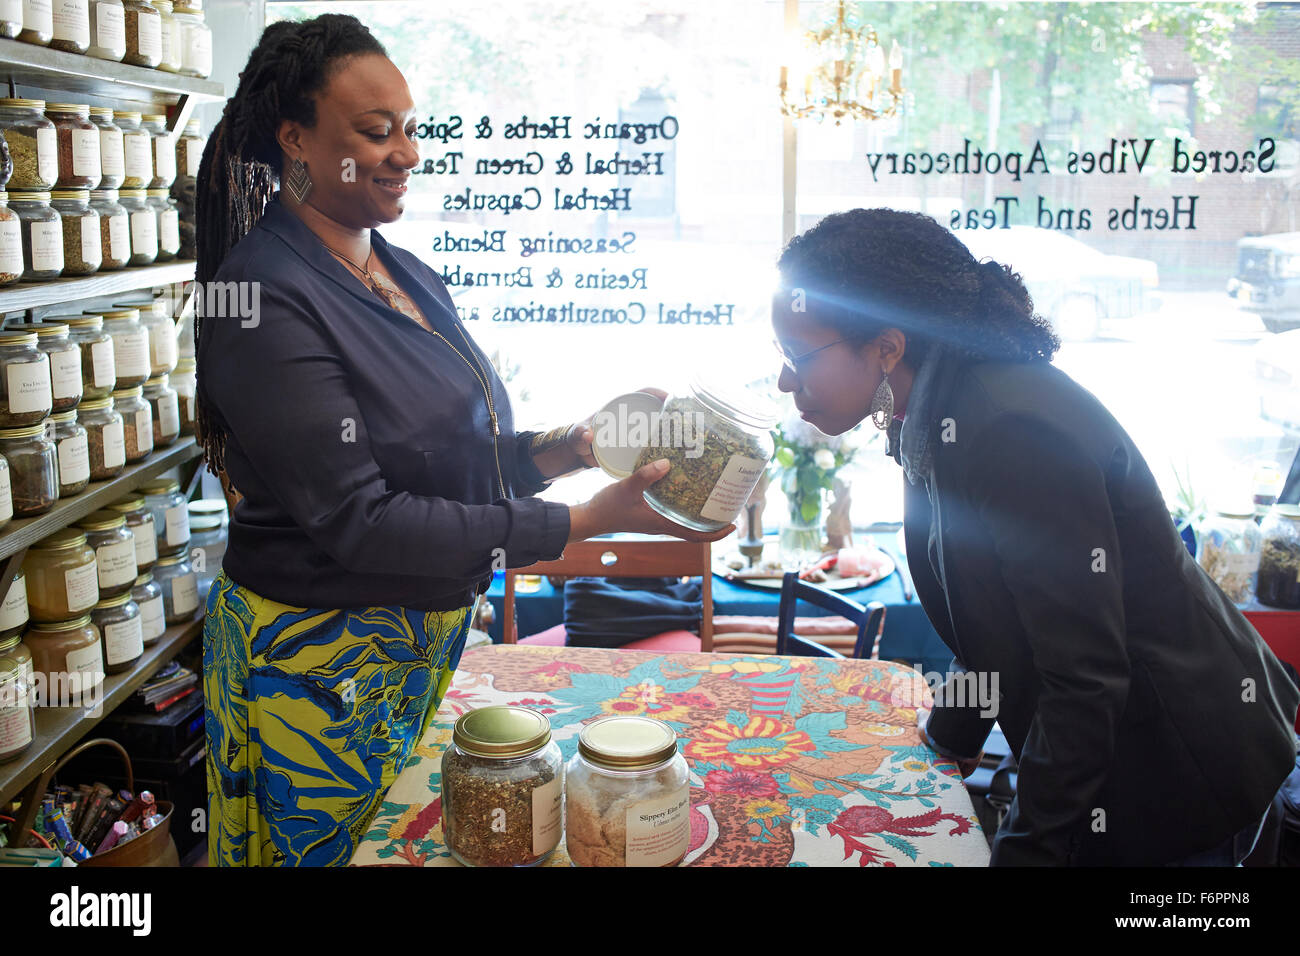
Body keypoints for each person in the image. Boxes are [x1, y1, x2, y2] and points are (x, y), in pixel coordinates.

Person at [193, 14, 727, 867]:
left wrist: (580, 445)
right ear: (295, 138)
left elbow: (458, 456)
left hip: (422, 643)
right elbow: (362, 519)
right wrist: (583, 522)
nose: (407, 151)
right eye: (375, 132)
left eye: (411, 126)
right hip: (318, 665)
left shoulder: (401, 271)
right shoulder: (261, 297)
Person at [771, 208, 1300, 866]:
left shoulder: (1006, 427)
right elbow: (993, 618)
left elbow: (1084, 680)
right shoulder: (934, 410)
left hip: (1185, 761)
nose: (785, 380)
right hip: (1119, 745)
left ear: (886, 348)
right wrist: (952, 731)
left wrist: (1027, 852)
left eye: (797, 356)